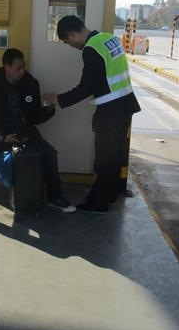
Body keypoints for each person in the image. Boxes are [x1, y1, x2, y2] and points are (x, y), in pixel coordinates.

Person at [43, 15, 141, 214]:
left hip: (110, 111)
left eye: (68, 42)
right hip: (125, 105)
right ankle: (109, 195)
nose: (71, 46)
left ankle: (98, 203)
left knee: (104, 159)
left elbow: (86, 87)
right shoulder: (108, 38)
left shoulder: (91, 49)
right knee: (114, 156)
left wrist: (58, 99)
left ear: (72, 34)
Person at [0, 48, 76, 226]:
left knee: (49, 153)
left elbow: (35, 116)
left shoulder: (30, 84)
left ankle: (55, 198)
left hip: (25, 131)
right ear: (7, 67)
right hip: (0, 132)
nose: (22, 71)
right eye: (18, 68)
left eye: (23, 67)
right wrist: (2, 137)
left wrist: (48, 109)